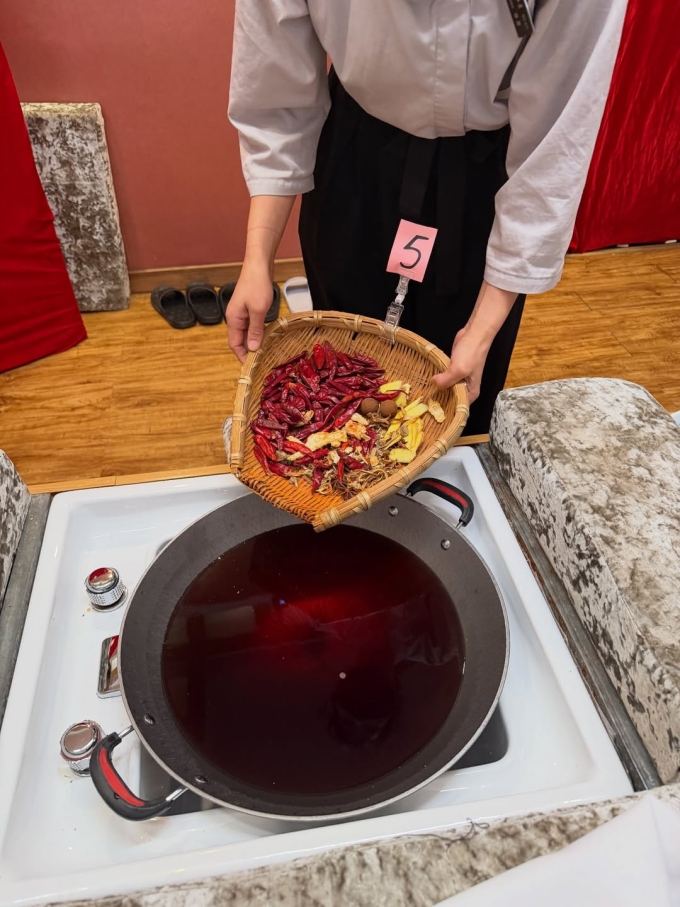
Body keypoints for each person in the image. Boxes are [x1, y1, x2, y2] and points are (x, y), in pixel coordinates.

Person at [226, 1, 627, 435]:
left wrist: (483, 326)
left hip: (486, 171)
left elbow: (556, 138)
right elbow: (276, 89)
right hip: (357, 154)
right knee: (340, 380)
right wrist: (257, 259)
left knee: (459, 391)